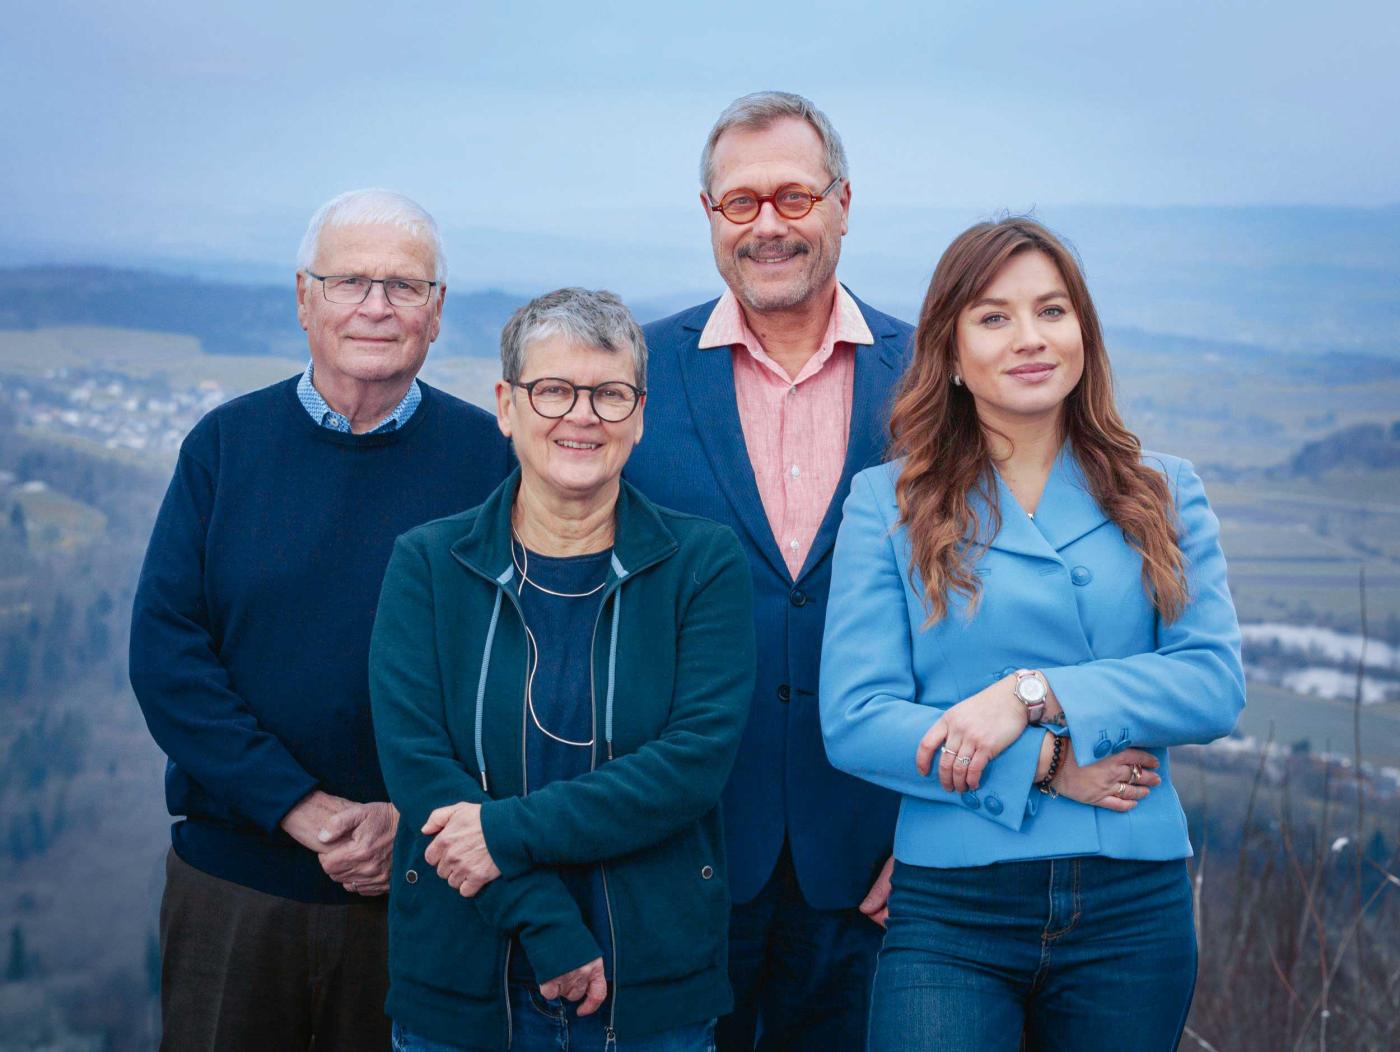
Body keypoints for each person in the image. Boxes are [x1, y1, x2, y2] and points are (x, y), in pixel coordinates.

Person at [820, 217, 1245, 1050]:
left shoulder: (1163, 490)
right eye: (993, 316)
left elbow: (1211, 683)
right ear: (948, 352)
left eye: (1052, 311)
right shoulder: (889, 502)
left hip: (1133, 902)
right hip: (953, 903)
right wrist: (1048, 765)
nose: (1030, 339)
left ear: (1083, 332)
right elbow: (858, 717)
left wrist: (1035, 695)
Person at [129, 188, 511, 1050]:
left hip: (424, 892)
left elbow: (520, 676)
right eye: (350, 282)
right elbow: (168, 661)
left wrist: (401, 820)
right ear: (306, 298)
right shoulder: (225, 447)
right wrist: (299, 807)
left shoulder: (489, 462)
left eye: (405, 286)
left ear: (438, 311)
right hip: (235, 889)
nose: (377, 306)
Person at [370, 287, 756, 1051]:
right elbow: (419, 771)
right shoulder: (427, 564)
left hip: (649, 986)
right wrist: (549, 927)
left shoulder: (702, 565)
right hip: (463, 982)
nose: (582, 416)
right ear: (507, 406)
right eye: (553, 390)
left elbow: (689, 767)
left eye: (610, 395)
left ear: (640, 416)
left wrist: (504, 833)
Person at [625, 90, 911, 1050]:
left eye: (793, 197)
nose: (769, 226)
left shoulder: (937, 379)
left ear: (842, 201)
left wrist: (935, 837)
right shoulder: (629, 378)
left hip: (876, 864)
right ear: (709, 216)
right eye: (741, 203)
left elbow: (987, 615)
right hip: (677, 857)